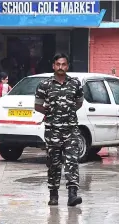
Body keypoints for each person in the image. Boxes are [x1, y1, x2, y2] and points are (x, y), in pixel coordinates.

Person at [34, 53, 84, 207]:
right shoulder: (44, 84)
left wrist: (67, 113)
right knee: (54, 164)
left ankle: (72, 195)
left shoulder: (75, 83)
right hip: (52, 130)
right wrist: (51, 114)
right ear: (53, 66)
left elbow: (79, 103)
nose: (61, 67)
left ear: (67, 66)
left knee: (72, 161)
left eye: (63, 64)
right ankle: (53, 194)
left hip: (71, 130)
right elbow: (37, 105)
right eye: (58, 64)